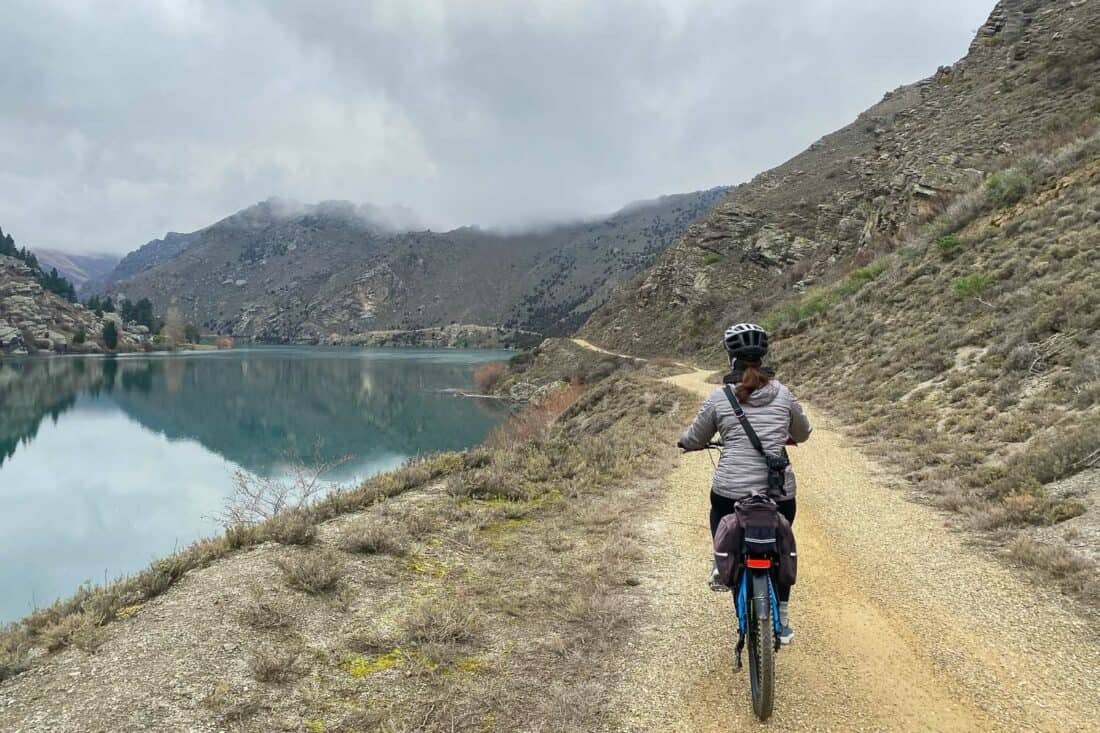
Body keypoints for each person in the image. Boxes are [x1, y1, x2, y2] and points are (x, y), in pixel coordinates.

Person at [677, 323, 812, 644]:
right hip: (778, 492)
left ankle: (720, 563)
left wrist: (686, 443)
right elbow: (804, 433)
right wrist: (783, 435)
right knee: (781, 548)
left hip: (731, 492)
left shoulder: (719, 398)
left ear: (730, 357)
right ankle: (784, 618)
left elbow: (695, 438)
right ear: (763, 355)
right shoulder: (784, 394)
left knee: (718, 511)